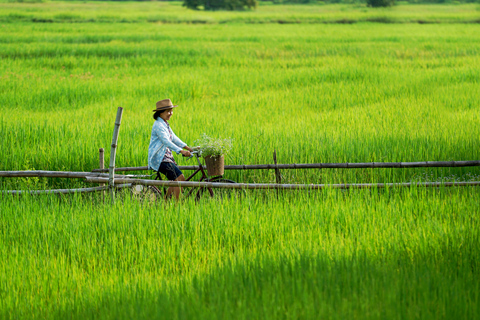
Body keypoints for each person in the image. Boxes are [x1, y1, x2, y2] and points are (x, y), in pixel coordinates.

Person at [148, 99, 193, 200]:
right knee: (180, 179)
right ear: (160, 113)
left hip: (166, 157)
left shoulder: (164, 123)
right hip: (160, 159)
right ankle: (177, 206)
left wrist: (187, 147)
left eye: (171, 111)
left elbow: (173, 137)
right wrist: (181, 151)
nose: (170, 113)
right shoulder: (158, 125)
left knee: (175, 181)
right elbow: (166, 141)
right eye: (168, 111)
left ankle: (165, 204)